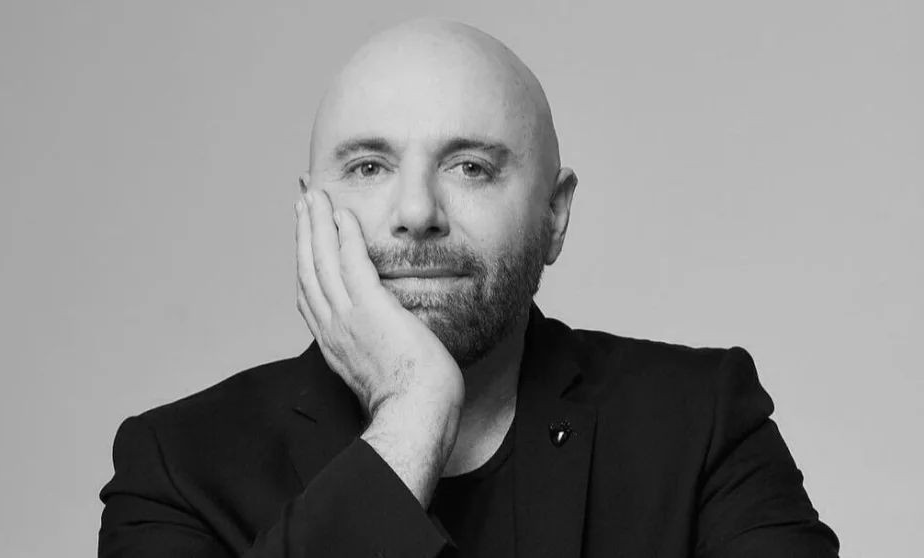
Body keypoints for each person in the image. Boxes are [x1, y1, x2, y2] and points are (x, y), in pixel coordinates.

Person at [98, 18, 840, 558]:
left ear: (555, 216)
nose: (417, 212)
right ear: (309, 209)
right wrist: (413, 407)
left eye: (471, 168)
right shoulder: (176, 468)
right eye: (368, 167)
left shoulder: (702, 421)